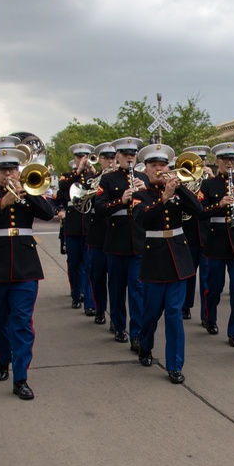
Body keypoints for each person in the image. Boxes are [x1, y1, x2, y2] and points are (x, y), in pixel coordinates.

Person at [0, 136, 55, 401]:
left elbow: (48, 212)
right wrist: (4, 202)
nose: (8, 173)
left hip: (25, 266)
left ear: (19, 171)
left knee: (21, 323)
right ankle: (3, 357)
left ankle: (21, 378)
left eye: (12, 169)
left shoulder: (30, 193)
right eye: (3, 170)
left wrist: (27, 193)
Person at [133, 144, 204, 384]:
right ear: (146, 169)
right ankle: (145, 346)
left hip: (178, 259)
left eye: (163, 165)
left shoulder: (177, 191)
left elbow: (198, 210)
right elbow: (141, 219)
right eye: (154, 166)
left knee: (174, 314)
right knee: (151, 314)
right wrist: (163, 198)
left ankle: (174, 365)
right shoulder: (140, 194)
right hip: (154, 260)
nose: (159, 170)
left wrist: (180, 188)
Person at [97, 137, 147, 348]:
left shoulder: (144, 177)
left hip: (138, 241)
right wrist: (121, 200)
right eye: (125, 154)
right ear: (117, 155)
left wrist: (145, 191)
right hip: (116, 242)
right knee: (117, 288)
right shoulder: (108, 180)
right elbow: (100, 208)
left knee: (137, 289)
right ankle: (119, 325)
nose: (129, 157)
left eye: (133, 154)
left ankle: (136, 333)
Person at [197, 142, 234, 347]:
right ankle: (210, 317)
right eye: (225, 159)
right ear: (217, 162)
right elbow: (200, 211)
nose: (229, 163)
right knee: (214, 288)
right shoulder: (208, 185)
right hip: (216, 242)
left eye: (232, 159)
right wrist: (220, 204)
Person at [56, 143, 96, 313]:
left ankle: (89, 303)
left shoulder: (93, 176)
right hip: (72, 226)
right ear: (75, 159)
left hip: (89, 226)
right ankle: (76, 295)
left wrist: (93, 172)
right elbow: (63, 189)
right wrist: (78, 171)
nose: (82, 159)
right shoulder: (67, 176)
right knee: (74, 264)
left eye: (85, 156)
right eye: (79, 157)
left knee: (89, 264)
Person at [180, 145, 212, 322]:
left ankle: (206, 315)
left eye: (203, 160)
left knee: (207, 279)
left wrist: (212, 178)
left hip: (206, 235)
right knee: (188, 275)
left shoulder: (208, 183)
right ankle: (185, 306)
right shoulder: (183, 181)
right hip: (188, 234)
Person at [86, 142, 116, 326]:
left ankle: (116, 316)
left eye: (112, 158)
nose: (110, 161)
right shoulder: (92, 180)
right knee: (97, 277)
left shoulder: (122, 179)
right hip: (97, 234)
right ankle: (99, 308)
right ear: (100, 160)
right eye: (105, 158)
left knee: (115, 280)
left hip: (117, 235)